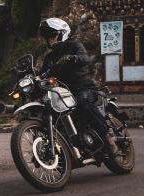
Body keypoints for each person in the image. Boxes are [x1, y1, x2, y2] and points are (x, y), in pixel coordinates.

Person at [38, 17, 119, 156]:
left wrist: (72, 58)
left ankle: (107, 137)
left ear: (62, 33)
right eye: (48, 37)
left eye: (52, 35)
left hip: (83, 87)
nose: (50, 39)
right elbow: (41, 74)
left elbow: (85, 58)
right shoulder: (49, 57)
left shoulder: (74, 45)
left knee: (83, 101)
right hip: (62, 93)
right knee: (46, 111)